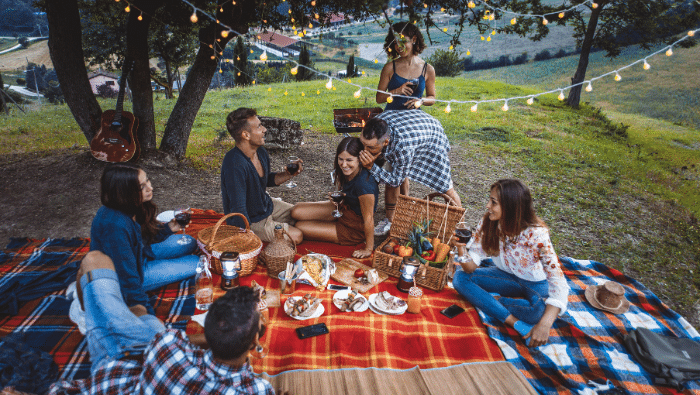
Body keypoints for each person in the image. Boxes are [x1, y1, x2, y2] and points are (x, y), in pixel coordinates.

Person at [49, 251, 276, 394]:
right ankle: (95, 315)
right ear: (256, 339)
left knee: (94, 260)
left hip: (118, 369)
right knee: (139, 311)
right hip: (126, 357)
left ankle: (95, 314)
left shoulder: (168, 348)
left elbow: (167, 342)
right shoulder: (257, 388)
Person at [452, 179, 570, 347]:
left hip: (535, 283)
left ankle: (487, 301)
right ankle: (515, 322)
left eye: (493, 202)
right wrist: (462, 249)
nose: (487, 206)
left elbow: (558, 282)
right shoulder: (489, 222)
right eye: (489, 200)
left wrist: (544, 325)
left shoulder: (536, 235)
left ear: (511, 207)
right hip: (505, 276)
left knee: (537, 312)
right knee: (460, 278)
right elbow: (471, 267)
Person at [88, 162, 199, 317]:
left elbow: (142, 238)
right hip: (131, 274)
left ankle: (158, 261)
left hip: (140, 254)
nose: (150, 188)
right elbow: (128, 279)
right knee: (196, 263)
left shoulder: (131, 206)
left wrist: (169, 228)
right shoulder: (114, 226)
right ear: (124, 192)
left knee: (189, 242)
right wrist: (148, 318)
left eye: (148, 180)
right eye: (142, 187)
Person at [359, 115, 462, 236]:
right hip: (412, 125)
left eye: (370, 147)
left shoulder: (403, 148)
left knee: (445, 185)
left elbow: (395, 180)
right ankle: (392, 219)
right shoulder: (378, 124)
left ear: (386, 141)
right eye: (363, 144)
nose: (365, 150)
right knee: (395, 168)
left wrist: (372, 166)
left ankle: (462, 228)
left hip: (432, 135)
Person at [221, 108, 303, 244]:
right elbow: (238, 209)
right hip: (252, 220)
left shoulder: (261, 152)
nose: (264, 129)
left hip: (265, 206)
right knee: (297, 235)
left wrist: (288, 174)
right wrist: (245, 238)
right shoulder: (234, 164)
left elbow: (264, 181)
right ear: (246, 135)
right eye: (259, 126)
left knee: (301, 215)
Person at [291, 137, 379, 258]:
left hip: (353, 229)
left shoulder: (364, 185)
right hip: (343, 210)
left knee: (299, 227)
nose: (344, 164)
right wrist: (340, 198)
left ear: (360, 160)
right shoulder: (345, 172)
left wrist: (368, 248)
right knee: (296, 211)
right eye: (340, 159)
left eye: (349, 160)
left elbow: (369, 219)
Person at [376, 21, 436, 111]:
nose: (399, 46)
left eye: (403, 41)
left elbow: (432, 98)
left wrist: (421, 101)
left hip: (416, 117)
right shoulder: (389, 68)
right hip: (392, 115)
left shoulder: (428, 69)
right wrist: (397, 91)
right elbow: (379, 99)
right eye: (396, 42)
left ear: (414, 39)